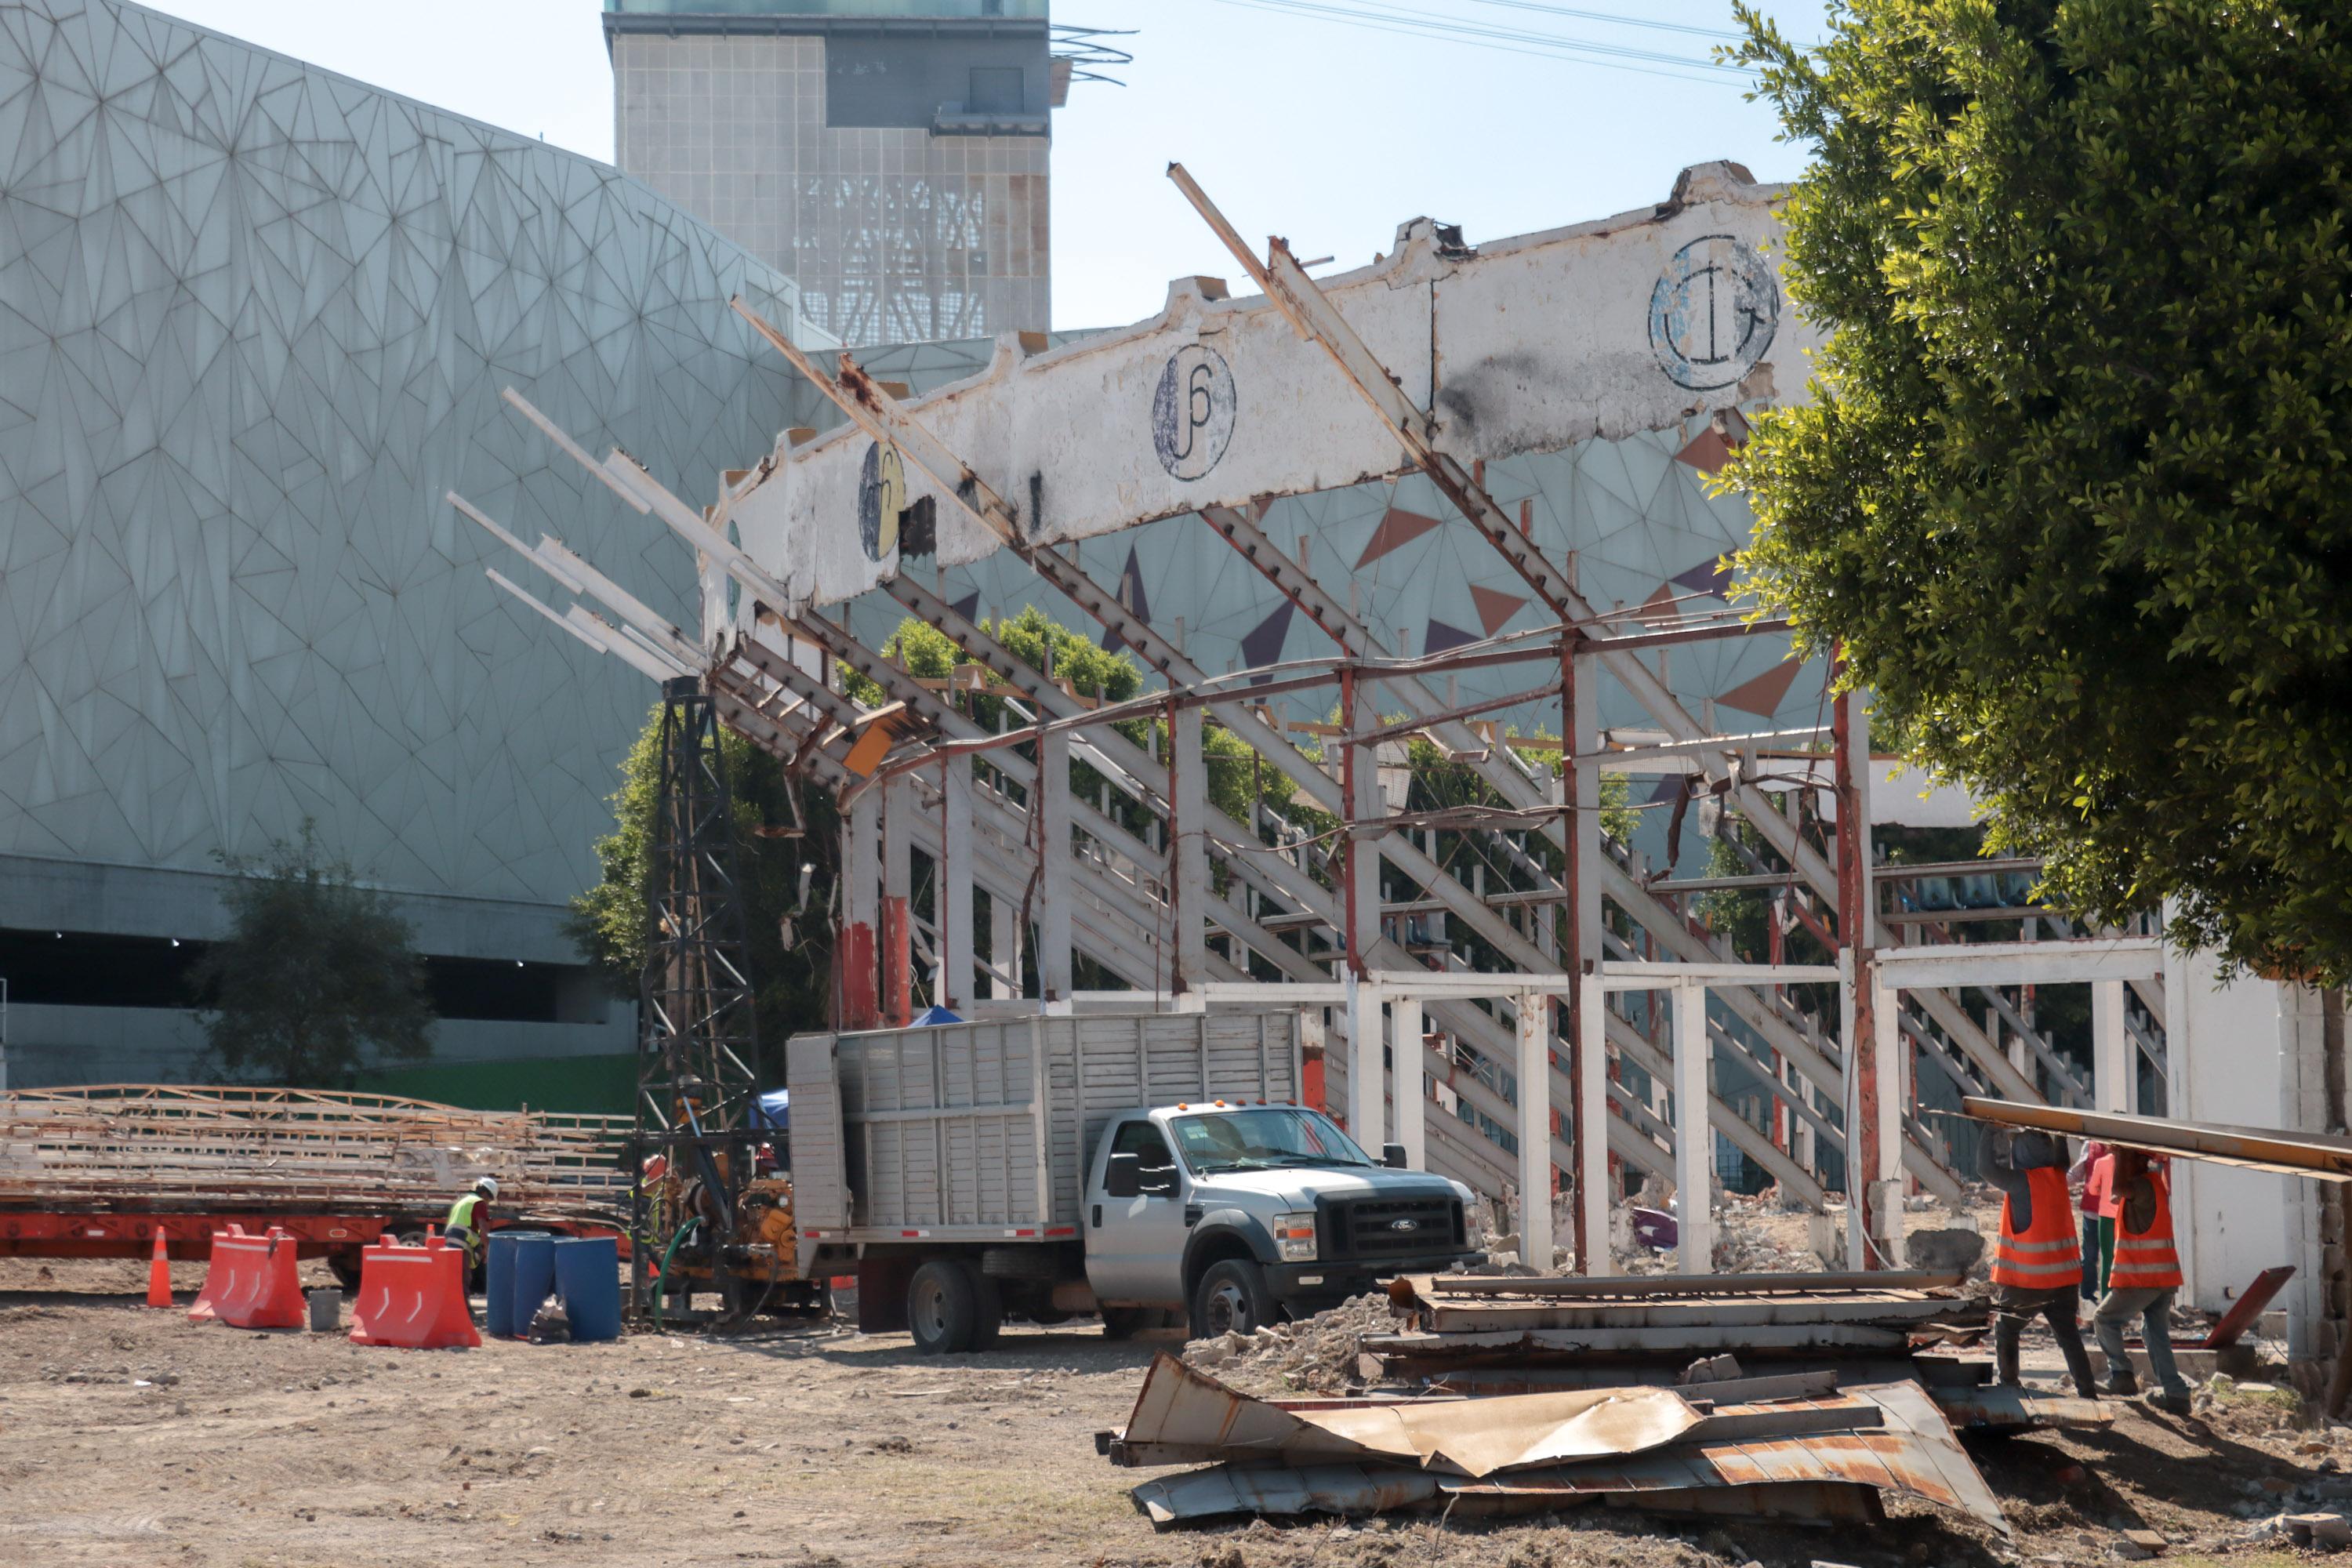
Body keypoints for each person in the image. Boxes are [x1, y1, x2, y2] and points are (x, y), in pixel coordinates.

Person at [1980, 1127, 2099, 1398]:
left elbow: (1985, 1169)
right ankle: (2088, 1391)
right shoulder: (2058, 1176)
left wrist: (1987, 1131)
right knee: (2069, 1335)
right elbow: (2064, 1161)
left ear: (2021, 1154)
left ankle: (2009, 1386)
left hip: (2030, 1281)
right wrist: (2057, 1130)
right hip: (2065, 1280)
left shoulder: (2023, 1182)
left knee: (2007, 1328)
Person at [2092, 1148, 2194, 1415]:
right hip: (2162, 1277)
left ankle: (2122, 1376)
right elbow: (2117, 1192)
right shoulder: (2152, 1185)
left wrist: (2119, 1151)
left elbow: (2118, 1187)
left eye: (2124, 1158)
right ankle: (2176, 1394)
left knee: (2104, 1319)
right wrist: (2121, 1153)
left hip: (2144, 1278)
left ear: (2136, 1160)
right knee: (2154, 1332)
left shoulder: (2141, 1186)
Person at [2071, 1139, 2115, 1301]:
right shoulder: (2090, 1146)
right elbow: (2077, 1172)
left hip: (2112, 1214)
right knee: (2090, 1256)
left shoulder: (2120, 1152)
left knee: (2112, 1256)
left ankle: (2113, 1294)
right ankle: (2087, 1294)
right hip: (2093, 1212)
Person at [445, 1176, 497, 1272]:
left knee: (454, 1277)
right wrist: (488, 1250)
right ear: (485, 1193)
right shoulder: (479, 1203)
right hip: (462, 1244)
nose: (488, 1203)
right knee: (464, 1279)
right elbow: (484, 1230)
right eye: (490, 1199)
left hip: (451, 1243)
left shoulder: (463, 1201)